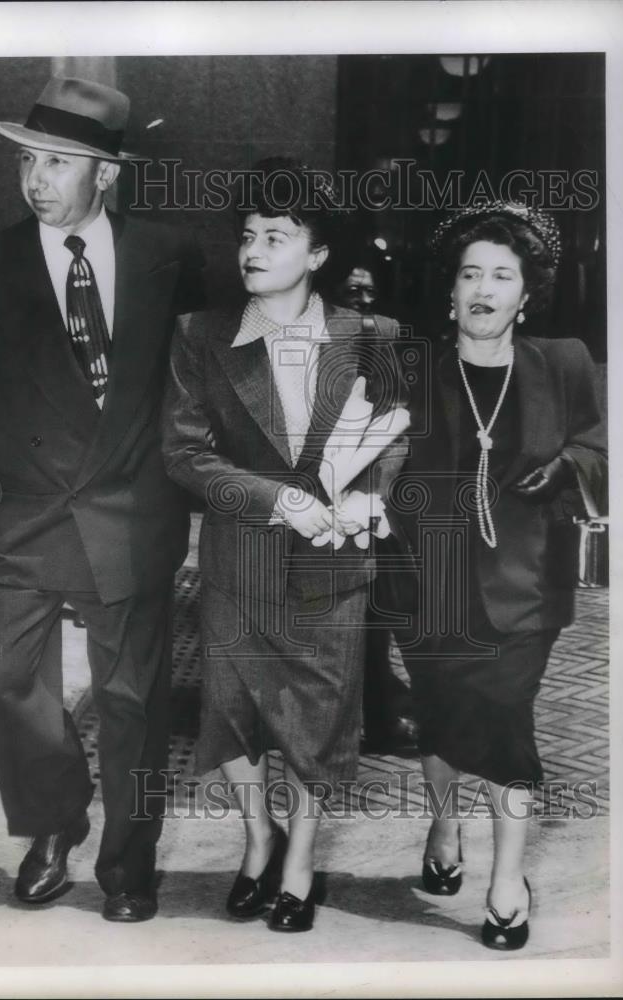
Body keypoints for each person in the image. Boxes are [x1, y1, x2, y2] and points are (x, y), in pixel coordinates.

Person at [0, 77, 203, 923]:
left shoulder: (167, 257)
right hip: (18, 516)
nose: (36, 178)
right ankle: (52, 823)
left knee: (132, 703)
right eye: (28, 159)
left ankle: (129, 862)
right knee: (2, 679)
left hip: (131, 514)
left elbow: (201, 389)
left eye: (58, 161)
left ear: (107, 174)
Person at [162, 158, 409, 932]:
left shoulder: (374, 335)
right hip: (242, 558)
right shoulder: (200, 336)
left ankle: (298, 862)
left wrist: (370, 497)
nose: (253, 250)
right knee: (227, 715)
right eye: (246, 235)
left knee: (317, 721)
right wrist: (279, 500)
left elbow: (395, 434)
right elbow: (185, 453)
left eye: (276, 235)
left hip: (334, 566)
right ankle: (255, 836)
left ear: (318, 254)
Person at [395, 201, 607, 949]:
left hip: (525, 586)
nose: (482, 290)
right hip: (428, 585)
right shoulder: (411, 367)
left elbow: (602, 447)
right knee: (438, 711)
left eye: (501, 276)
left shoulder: (568, 361)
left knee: (504, 721)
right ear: (449, 291)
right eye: (468, 275)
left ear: (526, 292)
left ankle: (505, 881)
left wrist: (567, 466)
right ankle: (444, 822)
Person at [326, 241, 418, 756]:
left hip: (367, 502)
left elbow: (396, 421)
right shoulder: (309, 334)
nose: (362, 300)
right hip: (308, 499)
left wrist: (373, 493)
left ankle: (381, 720)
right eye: (352, 290)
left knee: (374, 619)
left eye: (370, 292)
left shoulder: (383, 335)